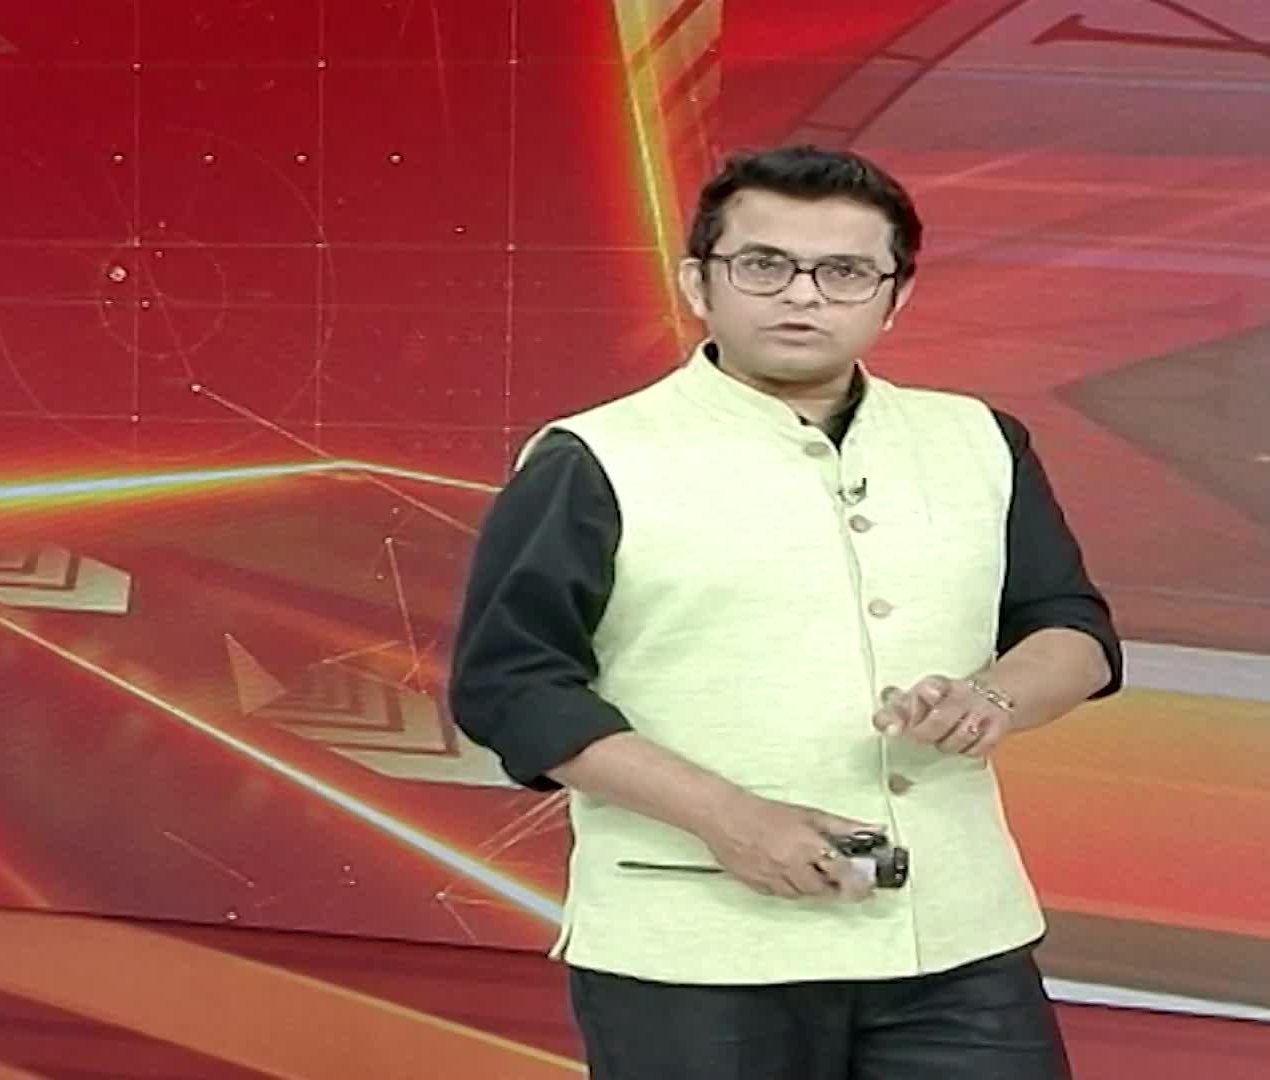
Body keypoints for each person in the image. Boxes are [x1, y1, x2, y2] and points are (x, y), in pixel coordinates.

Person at [447, 144, 1122, 1079]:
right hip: (697, 948)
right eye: (764, 265)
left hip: (954, 939)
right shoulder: (595, 458)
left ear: (895, 297)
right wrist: (728, 817)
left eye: (844, 272)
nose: (803, 296)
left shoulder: (979, 440)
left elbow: (1073, 629)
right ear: (699, 282)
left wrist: (994, 698)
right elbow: (511, 687)